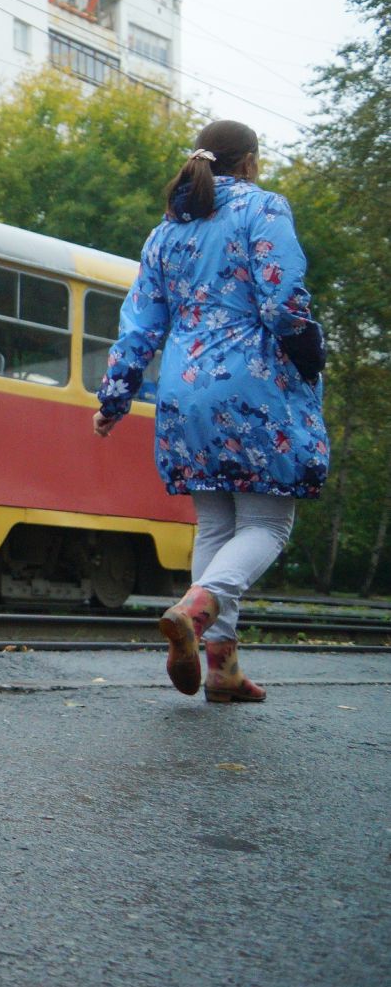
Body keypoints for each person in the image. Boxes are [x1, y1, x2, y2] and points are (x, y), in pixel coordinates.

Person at [93, 119, 328, 704]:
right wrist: (309, 352)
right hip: (253, 386)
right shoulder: (262, 209)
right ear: (248, 162)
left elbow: (139, 325)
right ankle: (195, 611)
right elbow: (282, 298)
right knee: (267, 524)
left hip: (183, 394)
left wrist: (115, 396)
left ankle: (222, 669)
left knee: (217, 526)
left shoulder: (165, 233)